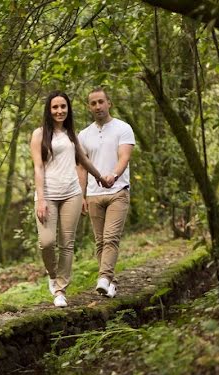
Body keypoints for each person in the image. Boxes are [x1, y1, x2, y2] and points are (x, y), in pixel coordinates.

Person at [30, 90, 107, 308]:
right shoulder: (39, 135)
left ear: (68, 109)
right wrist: (42, 199)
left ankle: (60, 290)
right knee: (46, 242)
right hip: (47, 195)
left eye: (63, 107)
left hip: (71, 194)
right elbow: (38, 167)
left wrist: (100, 177)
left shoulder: (72, 134)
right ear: (49, 109)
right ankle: (52, 275)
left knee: (67, 244)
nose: (59, 111)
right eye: (55, 107)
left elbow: (83, 159)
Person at [77, 87, 136, 299]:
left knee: (111, 238)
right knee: (100, 241)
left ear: (109, 103)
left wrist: (114, 174)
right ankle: (110, 282)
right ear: (89, 107)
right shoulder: (83, 135)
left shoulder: (123, 128)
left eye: (101, 102)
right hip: (93, 195)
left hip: (118, 191)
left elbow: (124, 157)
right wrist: (81, 195)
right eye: (93, 103)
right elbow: (82, 168)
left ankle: (103, 278)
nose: (97, 106)